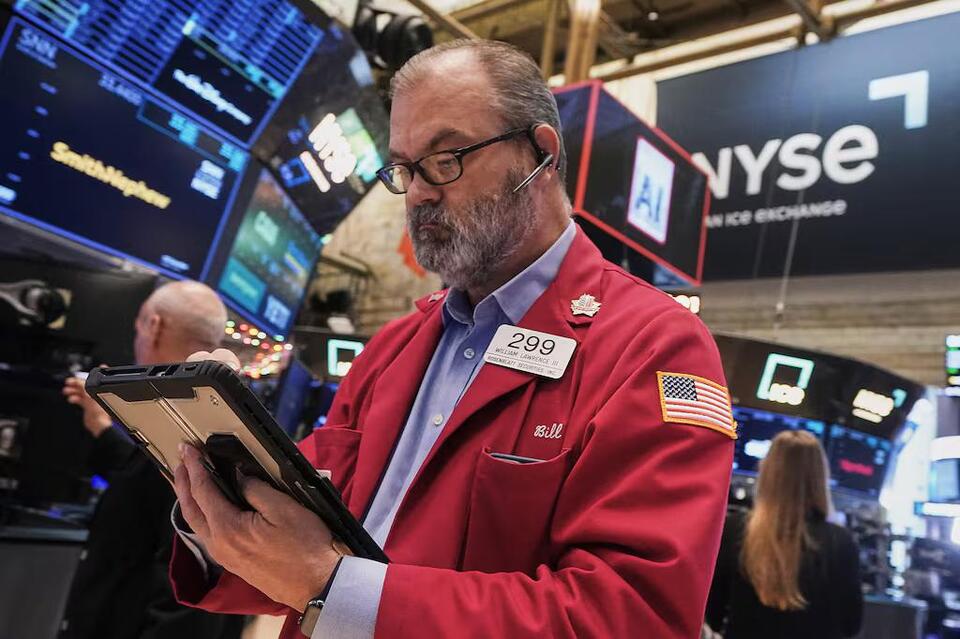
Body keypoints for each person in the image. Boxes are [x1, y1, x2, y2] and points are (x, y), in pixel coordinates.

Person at [169, 39, 737, 638]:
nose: (419, 192)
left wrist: (333, 586)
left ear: (542, 154)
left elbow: (631, 617)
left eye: (446, 159)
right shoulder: (394, 347)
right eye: (405, 168)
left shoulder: (654, 347)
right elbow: (300, 535)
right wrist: (216, 485)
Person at [60, 281, 245, 639]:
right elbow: (146, 486)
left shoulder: (180, 420)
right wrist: (103, 429)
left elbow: (190, 593)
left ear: (154, 325)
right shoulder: (211, 411)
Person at [704, 431, 864, 639]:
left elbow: (712, 612)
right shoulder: (841, 542)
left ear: (767, 472)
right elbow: (852, 624)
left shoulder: (736, 530)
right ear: (820, 478)